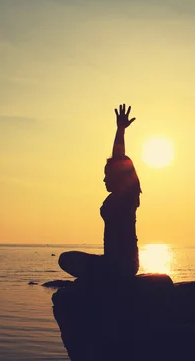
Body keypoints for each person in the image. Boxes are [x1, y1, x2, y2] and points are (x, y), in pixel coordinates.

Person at [59, 104, 141, 280]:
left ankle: (103, 283)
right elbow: (117, 162)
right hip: (112, 261)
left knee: (67, 260)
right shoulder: (119, 198)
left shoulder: (127, 198)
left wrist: (120, 130)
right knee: (66, 259)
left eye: (107, 175)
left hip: (123, 265)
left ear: (119, 176)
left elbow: (118, 158)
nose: (104, 180)